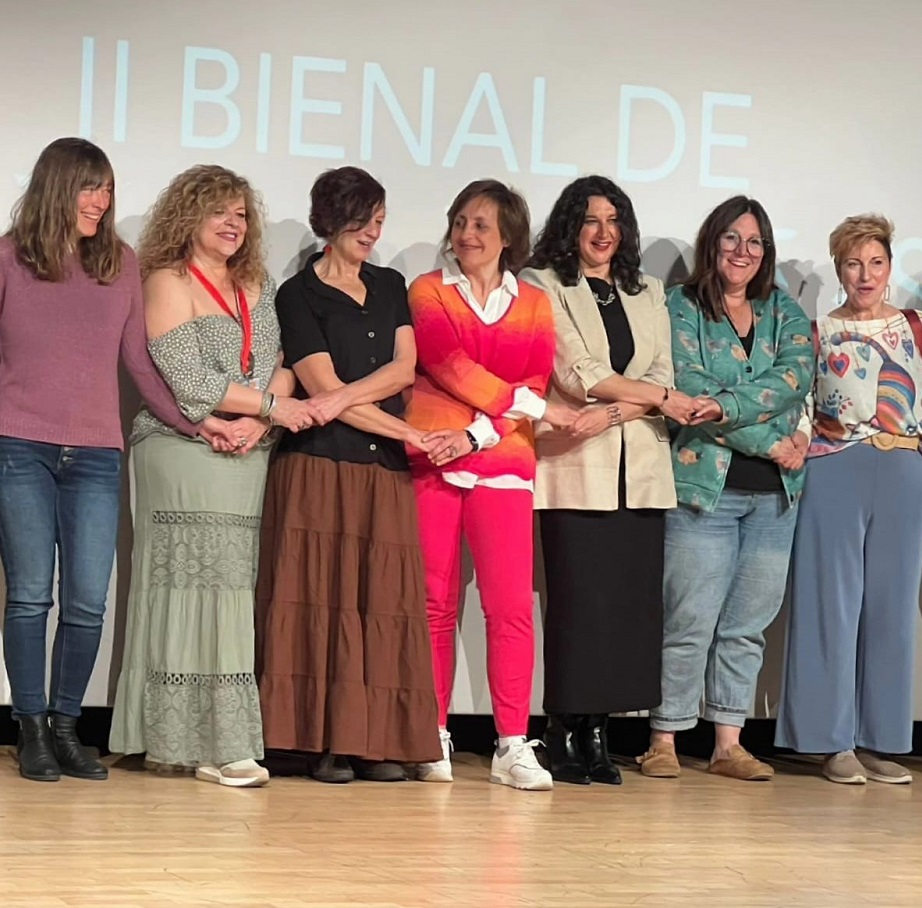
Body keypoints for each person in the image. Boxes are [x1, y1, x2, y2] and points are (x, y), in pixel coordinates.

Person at [0, 138, 236, 783]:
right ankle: (29, 729)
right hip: (19, 447)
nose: (100, 201)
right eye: (89, 187)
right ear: (56, 188)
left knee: (86, 602)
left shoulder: (120, 264)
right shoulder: (10, 259)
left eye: (106, 188)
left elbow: (140, 363)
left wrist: (197, 421)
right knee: (30, 597)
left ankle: (66, 728)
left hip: (97, 456)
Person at [109, 165, 320, 788]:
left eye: (241, 214)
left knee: (230, 592)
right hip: (180, 447)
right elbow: (189, 382)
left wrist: (263, 420)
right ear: (188, 216)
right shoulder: (166, 280)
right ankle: (190, 742)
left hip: (248, 447)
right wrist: (273, 409)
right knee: (188, 591)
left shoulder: (258, 281)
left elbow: (281, 361)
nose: (233, 224)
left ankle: (220, 742)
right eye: (219, 212)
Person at [775, 213, 922, 784]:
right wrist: (795, 446)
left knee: (891, 608)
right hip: (833, 470)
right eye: (853, 264)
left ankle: (879, 739)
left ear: (890, 267)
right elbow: (802, 407)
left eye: (875, 263)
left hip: (903, 472)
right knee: (829, 605)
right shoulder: (818, 331)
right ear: (839, 269)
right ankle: (828, 741)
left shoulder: (916, 327)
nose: (865, 275)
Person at [255, 166, 441, 784]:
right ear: (332, 221)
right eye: (364, 220)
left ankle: (378, 741)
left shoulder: (390, 284)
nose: (373, 232)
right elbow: (320, 386)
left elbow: (403, 371)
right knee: (322, 599)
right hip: (317, 467)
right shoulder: (297, 293)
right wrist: (407, 432)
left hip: (380, 469)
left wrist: (340, 398)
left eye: (380, 220)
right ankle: (321, 743)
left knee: (382, 602)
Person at [405, 178, 576, 791]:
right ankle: (431, 733)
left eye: (480, 224)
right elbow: (447, 364)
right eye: (460, 222)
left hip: (501, 464)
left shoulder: (533, 304)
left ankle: (511, 742)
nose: (466, 234)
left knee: (509, 608)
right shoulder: (428, 291)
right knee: (433, 603)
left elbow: (534, 384)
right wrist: (526, 408)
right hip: (433, 457)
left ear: (508, 237)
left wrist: (477, 434)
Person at [636, 196, 814, 782]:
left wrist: (732, 410)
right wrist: (770, 442)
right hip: (703, 491)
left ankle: (728, 744)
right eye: (732, 238)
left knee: (746, 627)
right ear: (712, 242)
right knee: (688, 621)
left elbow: (793, 379)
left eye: (755, 241)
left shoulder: (784, 309)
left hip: (775, 498)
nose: (743, 251)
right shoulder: (681, 305)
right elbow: (690, 387)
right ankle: (664, 737)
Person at [522, 175, 687, 785]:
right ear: (571, 226)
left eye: (614, 221)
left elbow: (664, 374)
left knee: (627, 610)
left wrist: (620, 411)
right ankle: (562, 731)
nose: (603, 232)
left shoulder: (648, 290)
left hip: (640, 470)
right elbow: (577, 373)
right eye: (592, 220)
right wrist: (654, 399)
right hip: (575, 466)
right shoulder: (543, 283)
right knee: (579, 607)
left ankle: (599, 734)